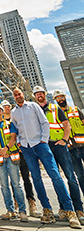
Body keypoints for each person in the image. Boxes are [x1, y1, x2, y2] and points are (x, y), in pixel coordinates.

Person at [11, 87, 81, 228]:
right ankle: (47, 210)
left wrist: (43, 139)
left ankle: (70, 211)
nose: (18, 96)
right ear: (14, 97)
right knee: (36, 178)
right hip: (26, 148)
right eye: (15, 95)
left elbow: (44, 122)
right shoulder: (14, 112)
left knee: (55, 176)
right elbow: (15, 129)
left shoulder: (33, 106)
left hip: (41, 145)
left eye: (19, 93)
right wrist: (19, 143)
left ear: (23, 94)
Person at [34, 86, 84, 224]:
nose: (39, 96)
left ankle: (78, 209)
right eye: (36, 94)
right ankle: (63, 208)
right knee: (55, 178)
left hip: (60, 146)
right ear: (35, 97)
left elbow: (66, 125)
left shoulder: (55, 108)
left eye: (41, 93)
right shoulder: (36, 111)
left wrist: (64, 140)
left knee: (70, 176)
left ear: (45, 94)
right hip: (46, 147)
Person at [0, 102, 28, 222]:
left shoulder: (10, 124)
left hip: (11, 157)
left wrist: (6, 149)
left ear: (2, 112)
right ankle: (10, 211)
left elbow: (13, 137)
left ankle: (22, 211)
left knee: (16, 185)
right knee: (4, 186)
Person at [1, 99, 40, 217]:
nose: (7, 108)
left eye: (8, 106)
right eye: (4, 107)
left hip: (22, 151)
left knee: (26, 177)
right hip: (11, 153)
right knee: (14, 180)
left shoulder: (16, 120)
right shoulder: (1, 124)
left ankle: (31, 202)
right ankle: (16, 202)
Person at [54, 89, 84, 197]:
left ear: (65, 97)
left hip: (83, 146)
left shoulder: (75, 110)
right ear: (55, 100)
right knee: (80, 175)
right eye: (57, 98)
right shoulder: (56, 115)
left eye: (61, 97)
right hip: (70, 149)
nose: (60, 99)